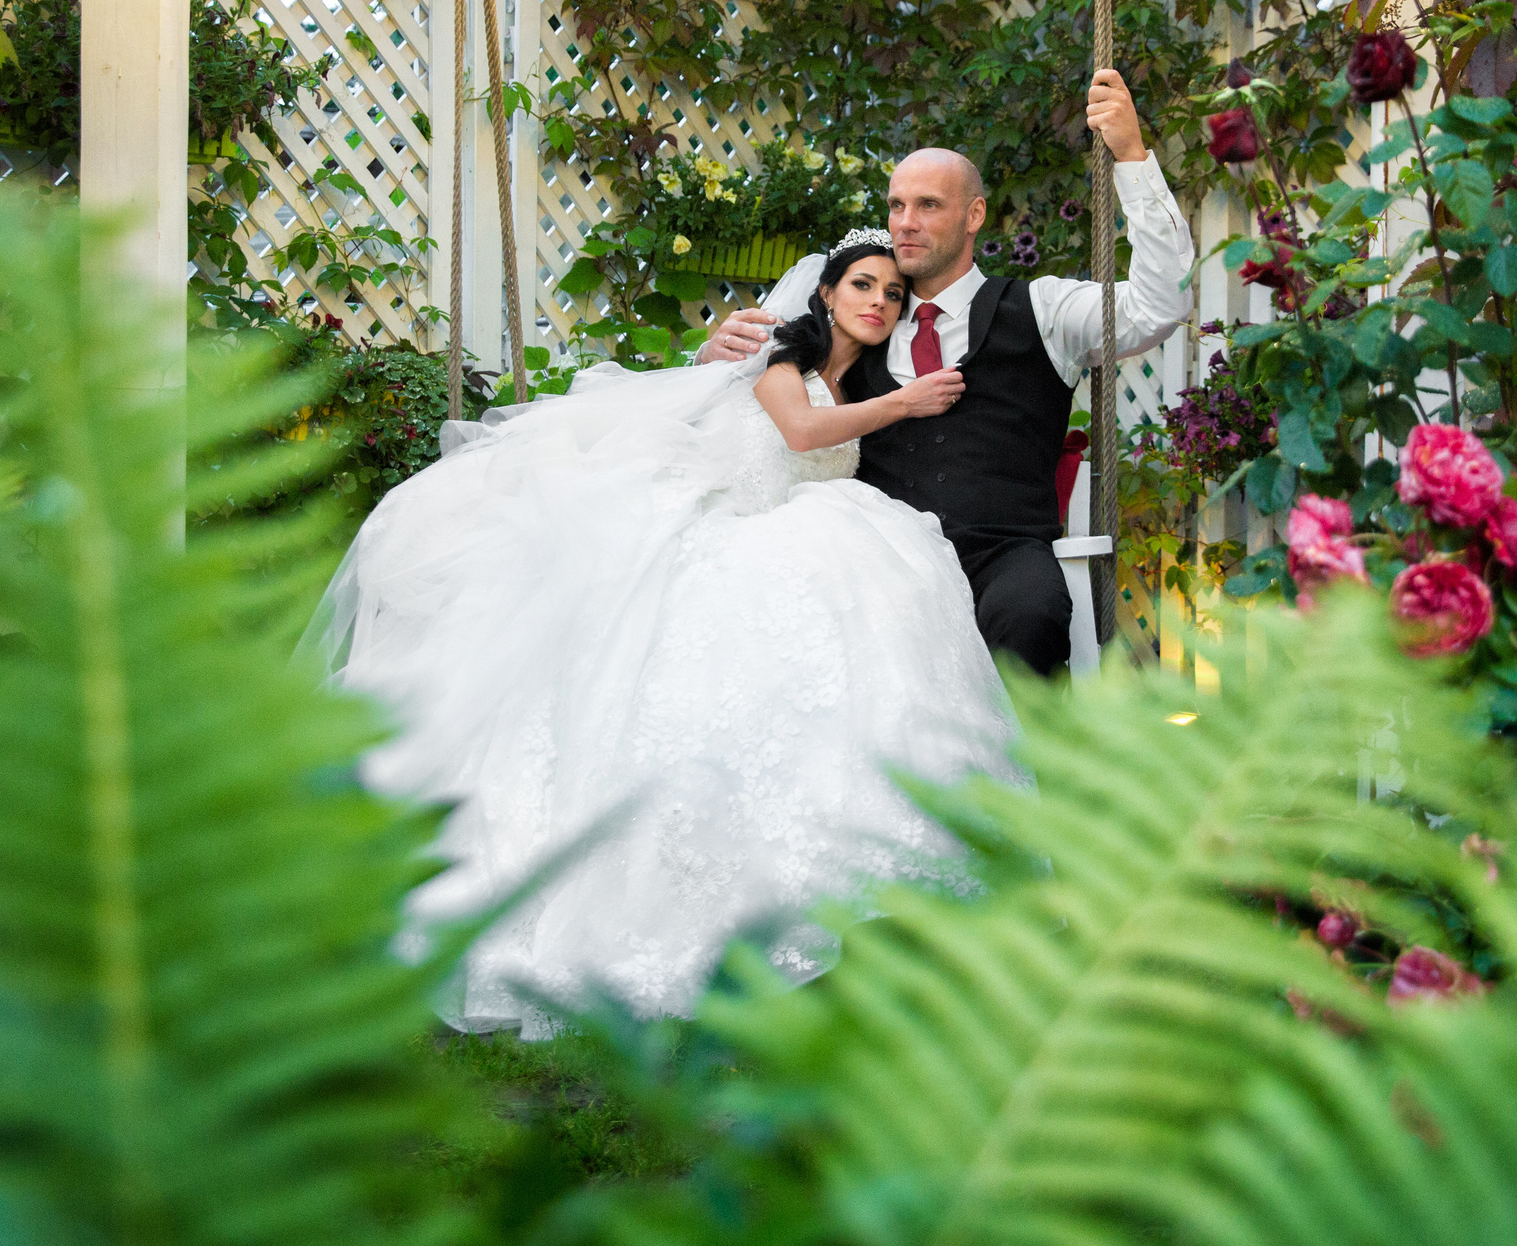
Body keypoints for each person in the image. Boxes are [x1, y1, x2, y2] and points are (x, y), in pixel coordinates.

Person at [312, 231, 1019, 1038]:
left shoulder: (860, 381)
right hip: (728, 514)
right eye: (862, 284)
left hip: (793, 525)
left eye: (893, 294)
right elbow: (796, 434)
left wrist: (898, 399)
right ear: (825, 294)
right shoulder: (781, 362)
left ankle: (845, 883)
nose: (878, 302)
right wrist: (902, 402)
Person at [699, 68, 1192, 672]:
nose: (905, 221)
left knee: (1031, 611)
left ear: (973, 214)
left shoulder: (1042, 309)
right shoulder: (863, 320)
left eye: (928, 205)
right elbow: (772, 397)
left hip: (1003, 553)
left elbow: (1158, 306)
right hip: (885, 556)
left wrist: (1132, 157)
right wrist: (716, 354)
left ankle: (1037, 765)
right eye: (897, 205)